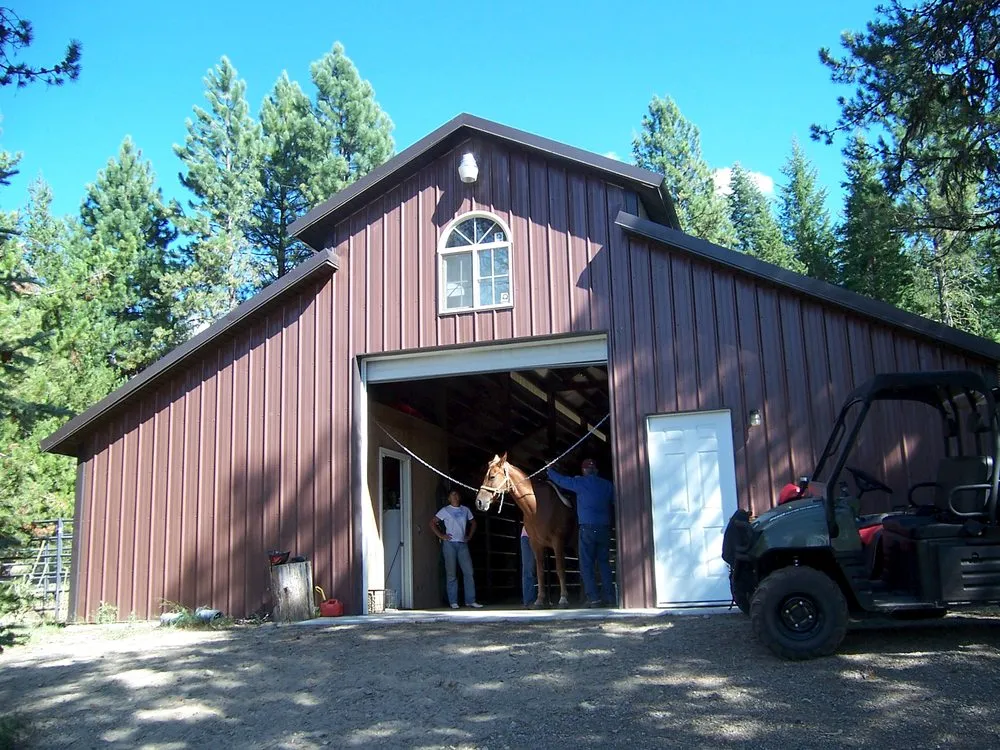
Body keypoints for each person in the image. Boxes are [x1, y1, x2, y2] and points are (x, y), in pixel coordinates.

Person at [547, 458, 615, 607]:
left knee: (586, 564)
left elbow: (561, 481)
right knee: (604, 564)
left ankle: (594, 598)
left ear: (584, 471)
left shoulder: (580, 483)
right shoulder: (608, 485)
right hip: (604, 529)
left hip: (587, 529)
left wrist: (550, 470)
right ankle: (610, 597)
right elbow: (615, 501)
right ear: (596, 470)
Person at [430, 490, 484, 609]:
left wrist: (469, 536)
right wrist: (441, 536)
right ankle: (453, 601)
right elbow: (432, 523)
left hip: (462, 544)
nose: (455, 496)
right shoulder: (445, 510)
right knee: (451, 573)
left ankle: (470, 600)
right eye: (452, 495)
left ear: (459, 497)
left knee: (469, 572)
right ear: (449, 498)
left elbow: (473, 523)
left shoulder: (465, 510)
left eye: (456, 494)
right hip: (450, 544)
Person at [520, 525, 537, 607]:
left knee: (531, 569)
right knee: (528, 569)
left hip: (541, 535)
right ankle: (529, 600)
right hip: (527, 536)